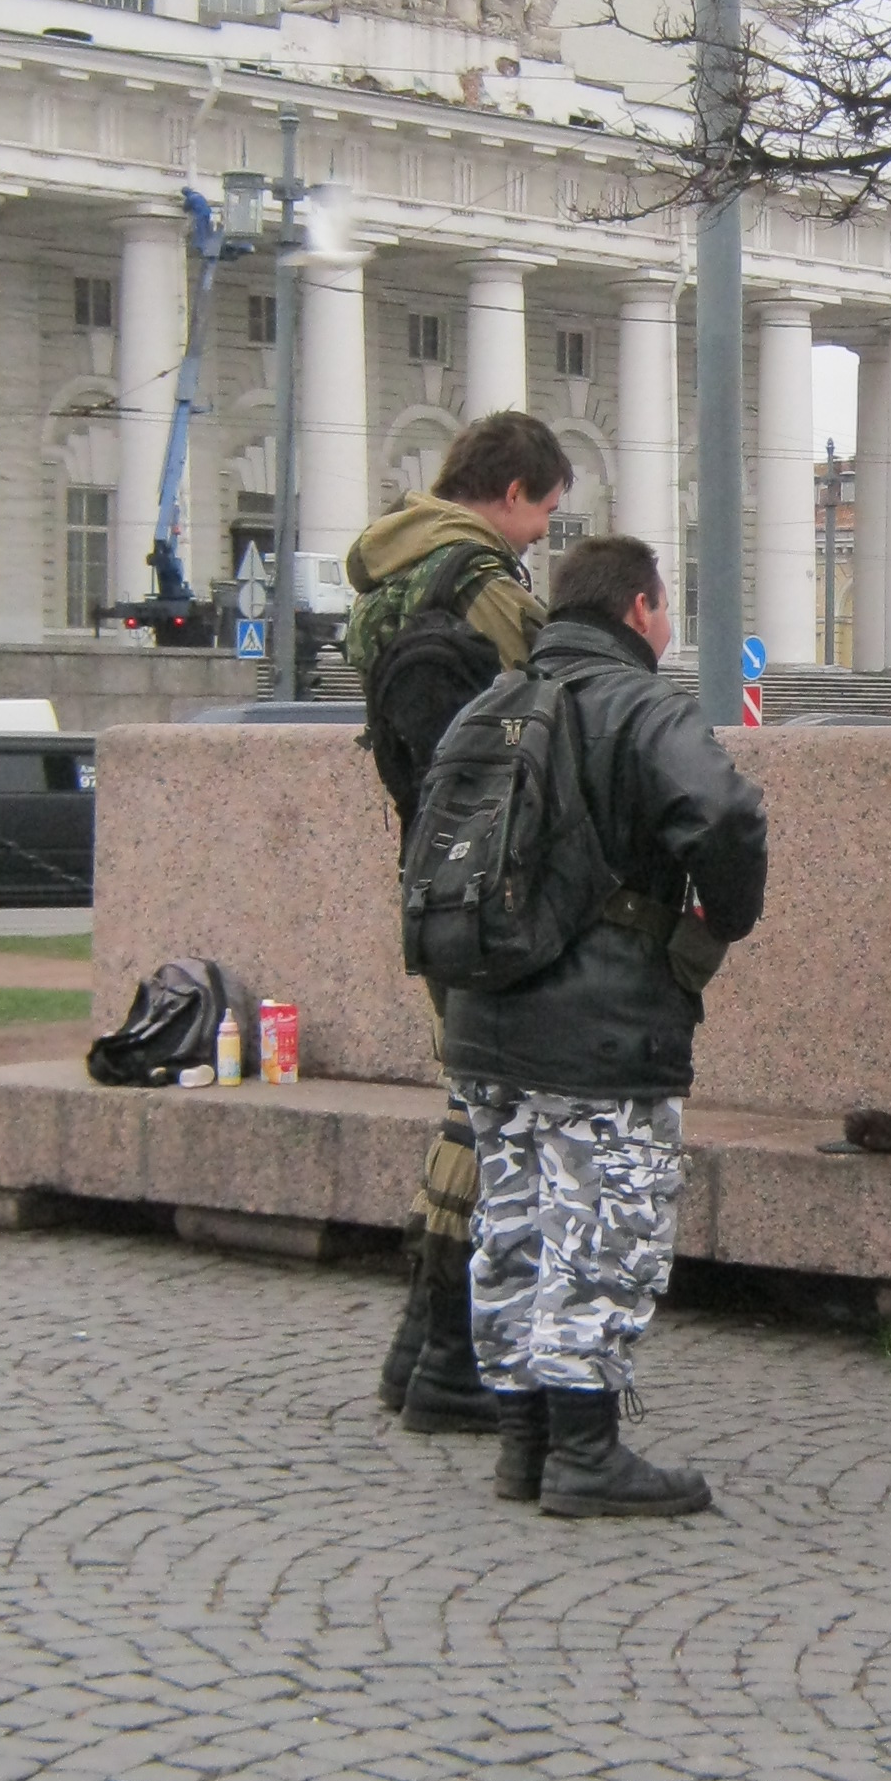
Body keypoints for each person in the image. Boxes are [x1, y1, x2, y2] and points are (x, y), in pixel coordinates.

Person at [444, 532, 768, 1517]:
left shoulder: (493, 700)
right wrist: (722, 919)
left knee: (512, 1225)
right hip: (604, 1029)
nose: (668, 625)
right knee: (606, 1227)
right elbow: (725, 817)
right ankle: (586, 1455)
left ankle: (525, 1447)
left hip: (485, 1018)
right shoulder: (642, 706)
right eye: (666, 607)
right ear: (639, 609)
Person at [343, 410, 574, 1433]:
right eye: (546, 510)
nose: (545, 532)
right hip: (490, 877)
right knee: (490, 1108)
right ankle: (450, 1357)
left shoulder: (393, 571)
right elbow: (567, 695)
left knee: (472, 1098)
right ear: (512, 491)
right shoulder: (478, 581)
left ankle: (422, 1349)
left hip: (427, 864)